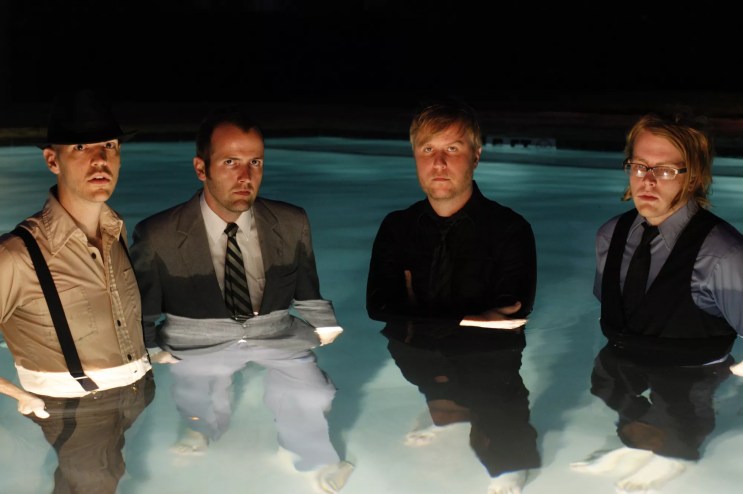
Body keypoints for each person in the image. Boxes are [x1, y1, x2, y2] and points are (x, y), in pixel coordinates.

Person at [130, 105, 352, 493]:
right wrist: (147, 348)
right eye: (230, 162)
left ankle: (306, 456)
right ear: (201, 168)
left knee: (314, 392)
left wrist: (324, 324)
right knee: (197, 389)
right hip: (196, 336)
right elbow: (143, 310)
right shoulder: (159, 234)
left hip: (274, 331)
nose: (245, 176)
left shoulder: (291, 222)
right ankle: (201, 427)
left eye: (255, 162)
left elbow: (306, 288)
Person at [366, 98, 538, 493]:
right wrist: (469, 317)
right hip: (416, 351)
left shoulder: (510, 229)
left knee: (497, 405)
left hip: (488, 357)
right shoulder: (397, 228)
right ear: (415, 156)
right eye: (428, 149)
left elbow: (514, 308)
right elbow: (377, 305)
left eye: (453, 149)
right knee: (441, 404)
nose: (439, 163)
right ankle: (448, 410)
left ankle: (509, 453)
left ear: (476, 156)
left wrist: (419, 311)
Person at [0, 88, 155, 493]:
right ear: (52, 160)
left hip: (137, 394)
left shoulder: (115, 231)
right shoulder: (17, 255)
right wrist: (17, 394)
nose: (100, 159)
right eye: (82, 147)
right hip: (76, 410)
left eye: (109, 145)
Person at [581, 110, 743, 490]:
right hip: (621, 360)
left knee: (681, 408)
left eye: (666, 170)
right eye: (639, 166)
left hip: (691, 372)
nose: (648, 180)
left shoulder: (723, 255)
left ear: (694, 177)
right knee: (607, 387)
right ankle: (638, 443)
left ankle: (677, 457)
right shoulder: (610, 236)